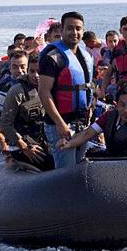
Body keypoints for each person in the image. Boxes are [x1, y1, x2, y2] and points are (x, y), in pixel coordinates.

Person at [38, 11, 95, 168]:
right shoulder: (53, 57)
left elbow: (88, 86)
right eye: (70, 28)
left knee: (80, 168)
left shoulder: (86, 57)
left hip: (82, 124)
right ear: (62, 30)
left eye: (78, 28)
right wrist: (60, 123)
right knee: (66, 171)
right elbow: (44, 92)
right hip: (61, 125)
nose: (74, 32)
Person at [0, 54, 54, 171]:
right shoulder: (17, 91)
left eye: (39, 71)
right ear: (27, 71)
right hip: (24, 144)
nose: (36, 75)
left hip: (46, 139)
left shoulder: (51, 89)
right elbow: (5, 124)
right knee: (50, 165)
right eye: (32, 71)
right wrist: (24, 147)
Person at [0, 51, 28, 153]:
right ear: (10, 69)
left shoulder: (33, 83)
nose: (19, 71)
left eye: (23, 66)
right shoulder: (5, 89)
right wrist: (3, 141)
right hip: (17, 137)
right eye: (15, 67)